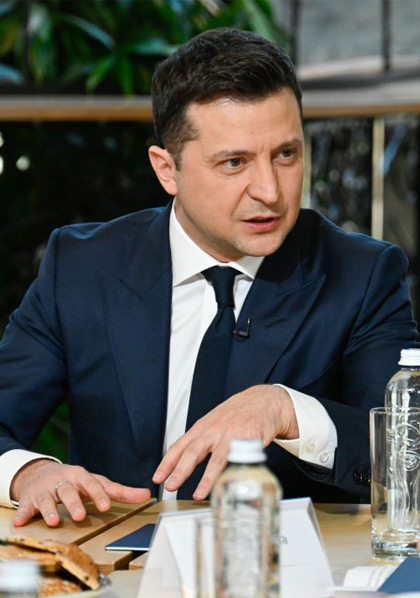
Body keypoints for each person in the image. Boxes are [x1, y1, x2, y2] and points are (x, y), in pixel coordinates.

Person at [0, 28, 418, 528]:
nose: (270, 191)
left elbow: (407, 458)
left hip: (281, 563)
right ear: (167, 170)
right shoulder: (82, 266)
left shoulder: (361, 274)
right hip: (111, 562)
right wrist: (28, 473)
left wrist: (288, 409)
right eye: (234, 163)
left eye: (285, 155)